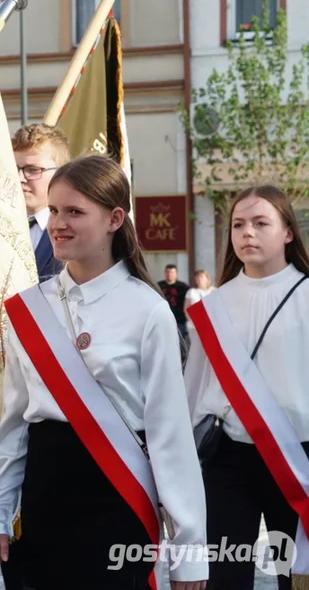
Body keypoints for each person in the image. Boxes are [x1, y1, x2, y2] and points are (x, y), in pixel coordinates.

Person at [0, 155, 207, 590]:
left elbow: (170, 435)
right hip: (45, 493)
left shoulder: (149, 310)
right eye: (53, 211)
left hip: (117, 494)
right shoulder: (29, 308)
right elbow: (14, 423)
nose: (57, 224)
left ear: (114, 219)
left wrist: (189, 554)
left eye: (75, 212)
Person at [184, 186, 309, 590]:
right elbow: (194, 385)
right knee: (225, 575)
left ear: (288, 232)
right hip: (226, 460)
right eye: (238, 224)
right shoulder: (212, 305)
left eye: (260, 223)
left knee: (298, 576)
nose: (247, 233)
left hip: (298, 460)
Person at [12, 124, 71, 283]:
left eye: (32, 170)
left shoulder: (75, 230)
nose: (20, 178)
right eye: (14, 168)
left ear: (60, 173)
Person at [158, 263, 190, 353]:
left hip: (179, 320)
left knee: (180, 344)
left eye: (172, 272)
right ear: (165, 273)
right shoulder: (158, 286)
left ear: (176, 274)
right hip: (163, 319)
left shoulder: (183, 287)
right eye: (168, 272)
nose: (169, 274)